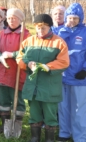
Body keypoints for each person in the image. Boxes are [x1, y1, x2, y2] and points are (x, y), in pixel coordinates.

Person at [17, 14, 69, 142]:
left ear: (50, 27)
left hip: (49, 86)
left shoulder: (59, 42)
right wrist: (27, 63)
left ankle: (49, 139)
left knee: (50, 114)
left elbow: (64, 62)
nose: (41, 30)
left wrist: (48, 67)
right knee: (34, 112)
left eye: (44, 27)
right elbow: (20, 57)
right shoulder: (28, 41)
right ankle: (35, 137)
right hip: (32, 85)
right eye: (38, 27)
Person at [0, 8, 30, 133]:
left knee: (18, 100)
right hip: (2, 72)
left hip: (18, 72)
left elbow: (29, 52)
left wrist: (13, 54)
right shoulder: (1, 33)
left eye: (14, 18)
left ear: (20, 19)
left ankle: (17, 124)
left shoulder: (26, 35)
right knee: (3, 100)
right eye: (9, 18)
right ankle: (5, 125)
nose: (11, 20)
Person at [57, 3, 86, 142]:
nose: (72, 21)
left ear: (80, 19)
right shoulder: (59, 31)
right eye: (70, 18)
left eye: (75, 18)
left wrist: (85, 69)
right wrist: (65, 32)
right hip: (62, 76)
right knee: (63, 106)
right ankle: (64, 133)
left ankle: (80, 136)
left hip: (79, 77)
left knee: (78, 109)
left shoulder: (84, 33)